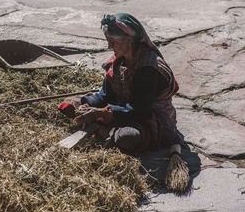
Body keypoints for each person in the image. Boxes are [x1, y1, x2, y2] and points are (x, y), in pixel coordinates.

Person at [59, 13, 184, 153]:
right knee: (72, 104)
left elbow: (138, 111)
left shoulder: (149, 69)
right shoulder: (118, 61)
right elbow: (105, 96)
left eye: (113, 42)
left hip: (148, 119)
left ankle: (106, 130)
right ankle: (104, 127)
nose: (109, 46)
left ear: (129, 40)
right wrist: (87, 104)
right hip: (120, 110)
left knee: (128, 137)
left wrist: (101, 113)